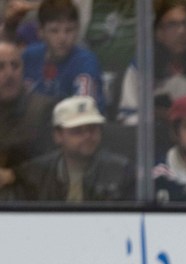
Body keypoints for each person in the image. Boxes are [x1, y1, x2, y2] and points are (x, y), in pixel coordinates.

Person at [117, 0, 186, 125]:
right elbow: (128, 115)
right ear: (158, 32)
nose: (181, 31)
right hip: (157, 137)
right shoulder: (143, 62)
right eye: (172, 25)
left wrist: (184, 121)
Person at [15, 95, 133, 200]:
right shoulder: (36, 172)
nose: (87, 136)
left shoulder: (122, 172)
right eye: (77, 131)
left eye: (92, 129)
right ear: (58, 136)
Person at [0, 37, 56, 199]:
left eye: (15, 66)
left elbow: (55, 161)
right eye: (1, 67)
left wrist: (14, 174)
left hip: (28, 196)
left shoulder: (43, 109)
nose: (9, 74)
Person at [21, 0, 104, 106]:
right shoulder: (28, 56)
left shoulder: (86, 62)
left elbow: (84, 111)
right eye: (54, 31)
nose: (62, 38)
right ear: (40, 32)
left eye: (69, 30)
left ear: (77, 29)